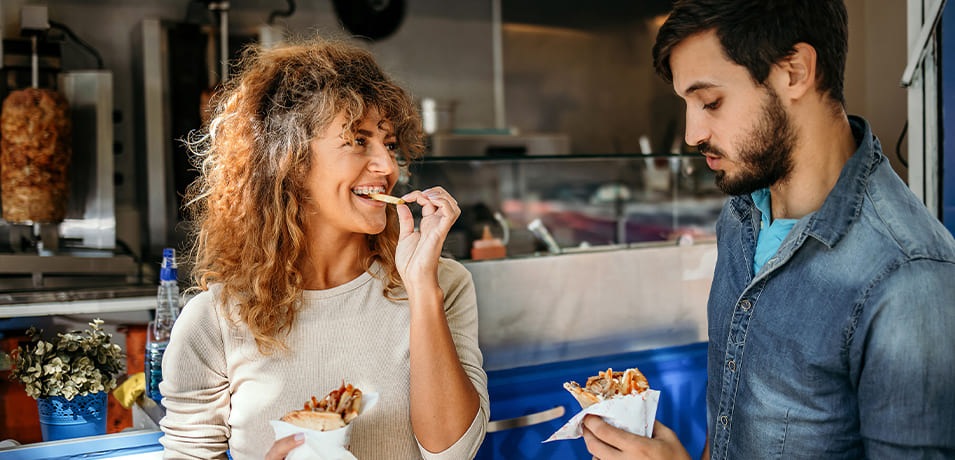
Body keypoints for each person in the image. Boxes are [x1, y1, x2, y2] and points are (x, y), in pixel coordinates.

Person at [582, 0, 955, 458]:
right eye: (688, 104)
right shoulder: (742, 216)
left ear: (795, 72)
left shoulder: (909, 277)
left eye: (711, 102)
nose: (691, 133)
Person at [157, 37, 489, 459]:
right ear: (290, 161)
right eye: (357, 140)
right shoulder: (215, 321)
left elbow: (453, 453)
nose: (388, 167)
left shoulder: (440, 284)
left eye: (388, 144)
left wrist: (422, 290)